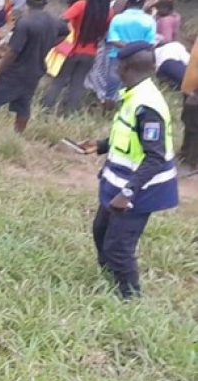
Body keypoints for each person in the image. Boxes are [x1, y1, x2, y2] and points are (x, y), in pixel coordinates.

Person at [75, 43, 178, 299]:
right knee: (101, 232)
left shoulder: (147, 105)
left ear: (124, 68)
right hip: (118, 182)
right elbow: (130, 137)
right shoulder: (133, 95)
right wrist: (100, 146)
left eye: (118, 65)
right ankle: (110, 283)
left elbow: (154, 156)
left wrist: (128, 192)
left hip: (139, 190)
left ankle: (129, 298)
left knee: (119, 247)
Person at [0, 0, 63, 140]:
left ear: (28, 1)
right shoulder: (53, 22)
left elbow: (12, 52)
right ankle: (16, 139)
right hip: (36, 71)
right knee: (23, 104)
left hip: (16, 71)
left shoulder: (25, 23)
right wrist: (49, 44)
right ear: (45, 3)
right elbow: (66, 31)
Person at [42, 0, 112, 115]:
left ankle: (45, 109)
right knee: (77, 84)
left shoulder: (81, 5)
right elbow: (105, 33)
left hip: (72, 50)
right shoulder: (109, 13)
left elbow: (63, 19)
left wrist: (71, 32)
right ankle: (70, 112)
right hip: (91, 53)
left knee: (59, 80)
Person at [179, 36, 198, 176]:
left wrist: (196, 93)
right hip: (189, 86)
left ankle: (193, 163)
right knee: (188, 121)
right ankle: (185, 153)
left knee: (196, 126)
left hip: (195, 91)